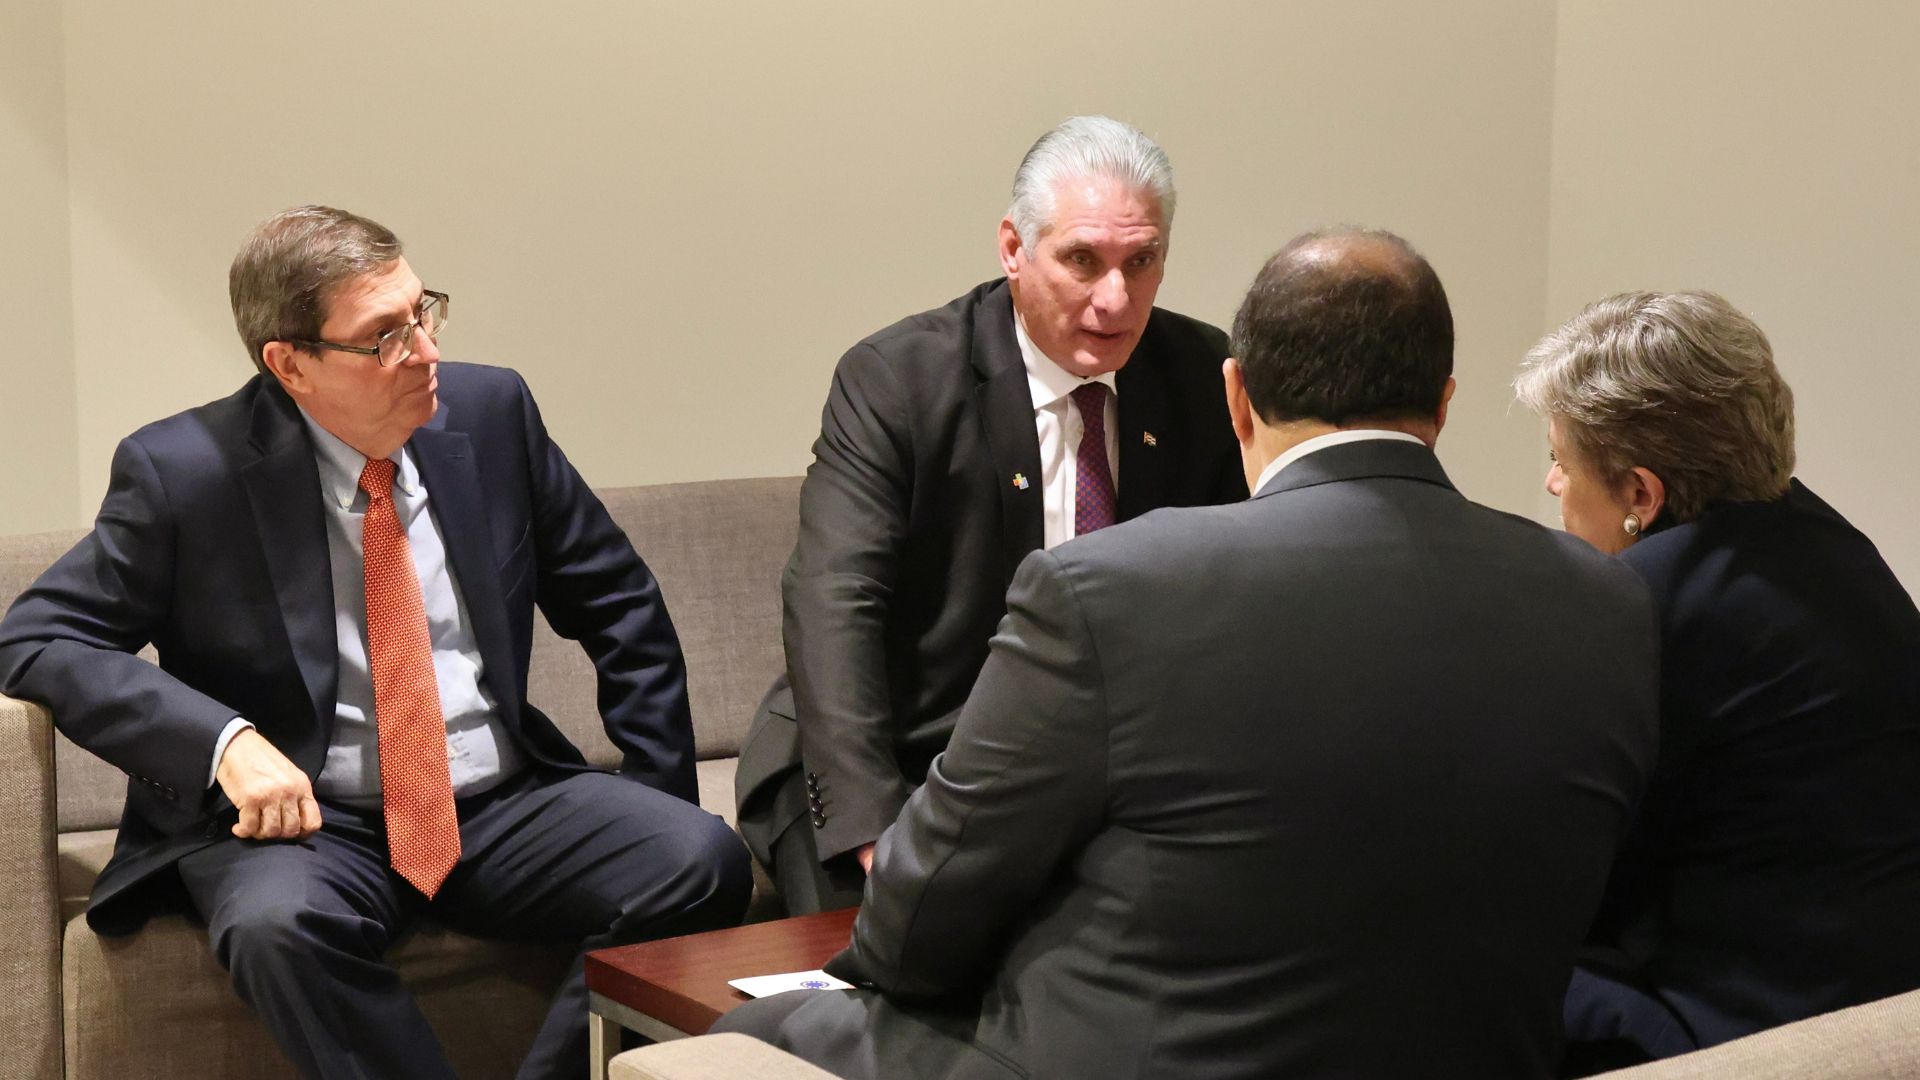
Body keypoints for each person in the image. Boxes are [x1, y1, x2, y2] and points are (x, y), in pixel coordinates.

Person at [715, 229, 1660, 1079]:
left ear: (1237, 395)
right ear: (1444, 403)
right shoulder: (1609, 601)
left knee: (751, 1042)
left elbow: (917, 925)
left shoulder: (1109, 590)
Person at [0, 206, 752, 1079]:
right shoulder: (185, 473)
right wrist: (223, 744)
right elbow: (38, 635)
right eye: (384, 337)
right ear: (291, 363)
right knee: (274, 928)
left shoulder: (493, 412)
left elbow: (620, 601)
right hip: (311, 826)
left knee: (700, 860)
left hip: (499, 804)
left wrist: (662, 794)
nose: (425, 353)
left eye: (422, 312)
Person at [734, 116, 1245, 914]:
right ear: (1014, 248)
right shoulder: (899, 379)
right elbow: (834, 602)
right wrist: (880, 835)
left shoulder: (1198, 377)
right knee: (877, 984)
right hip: (897, 749)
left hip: (1094, 772)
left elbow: (1238, 598)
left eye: (1140, 262)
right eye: (1083, 260)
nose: (1116, 299)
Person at [1516, 290, 1920, 1072]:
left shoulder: (1635, 606)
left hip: (1751, 1021)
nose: (1551, 484)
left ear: (1641, 494)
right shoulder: (1836, 544)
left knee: (1432, 969)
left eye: (1561, 460)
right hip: (1891, 984)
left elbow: (1562, 859)